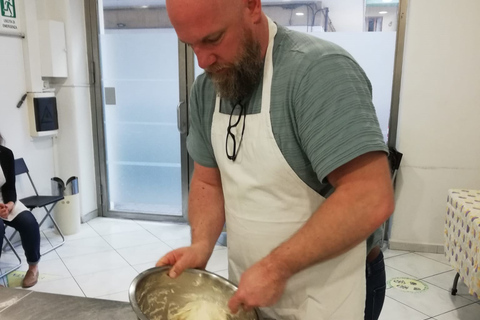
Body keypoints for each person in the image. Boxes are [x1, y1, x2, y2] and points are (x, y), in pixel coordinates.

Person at [156, 1, 394, 319]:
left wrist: (276, 267)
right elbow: (207, 181)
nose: (202, 61)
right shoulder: (207, 90)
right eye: (191, 45)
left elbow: (369, 196)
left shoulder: (317, 72)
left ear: (252, 6)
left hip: (330, 294)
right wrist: (201, 244)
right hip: (252, 292)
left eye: (213, 40)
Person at [0, 133, 41, 288]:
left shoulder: (5, 154)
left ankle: (33, 267)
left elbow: (9, 187)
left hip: (4, 200)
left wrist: (9, 205)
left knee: (28, 222)